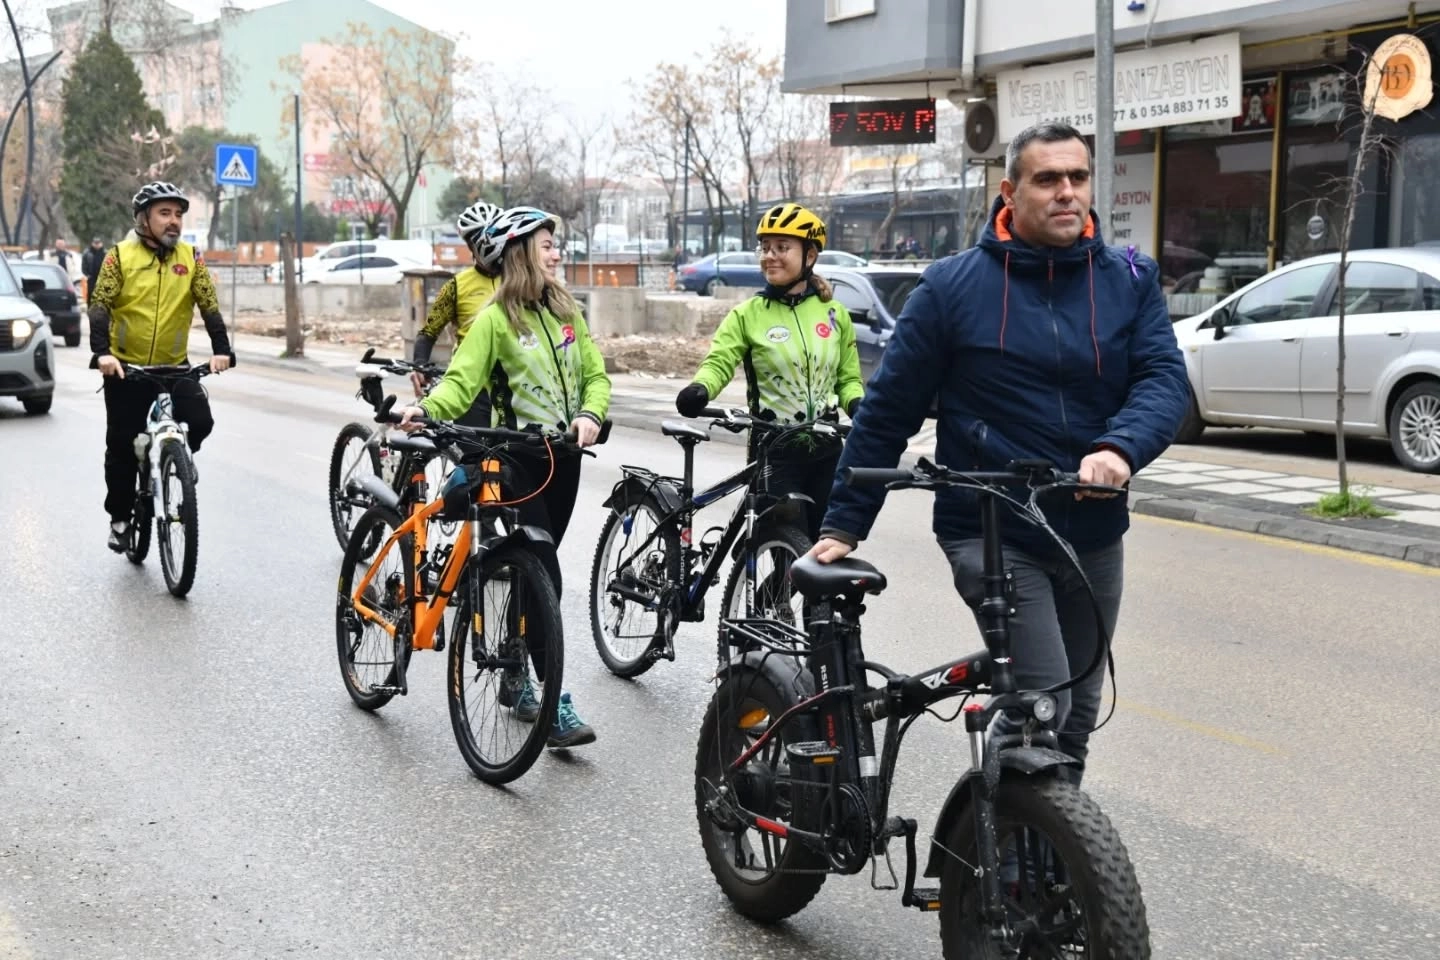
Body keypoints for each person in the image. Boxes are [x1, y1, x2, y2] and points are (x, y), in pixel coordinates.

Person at [810, 122, 1189, 784]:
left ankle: (1058, 865)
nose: (1067, 192)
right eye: (1048, 179)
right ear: (1011, 192)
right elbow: (889, 408)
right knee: (1045, 702)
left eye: (1078, 177)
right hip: (993, 528)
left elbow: (1163, 380)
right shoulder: (953, 288)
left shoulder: (1128, 278)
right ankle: (1002, 867)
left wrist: (1120, 448)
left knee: (1078, 714)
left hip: (1094, 532)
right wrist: (846, 519)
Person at [395, 205, 610, 750]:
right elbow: (462, 382)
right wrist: (428, 408)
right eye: (546, 245)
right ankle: (551, 700)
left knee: (529, 574)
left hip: (565, 460)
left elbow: (596, 374)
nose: (556, 253)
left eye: (555, 245)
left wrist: (590, 413)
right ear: (520, 254)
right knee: (544, 573)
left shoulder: (567, 312)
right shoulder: (495, 318)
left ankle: (514, 675)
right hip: (516, 460)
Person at [674, 202, 865, 540]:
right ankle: (761, 594)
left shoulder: (834, 314)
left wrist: (860, 406)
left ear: (809, 256)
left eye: (782, 247)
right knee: (775, 545)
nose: (769, 256)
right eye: (765, 247)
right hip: (774, 448)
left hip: (827, 450)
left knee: (826, 547)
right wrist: (701, 389)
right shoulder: (747, 314)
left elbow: (847, 379)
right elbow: (719, 362)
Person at [89, 181, 234, 552]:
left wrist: (222, 349)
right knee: (121, 444)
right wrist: (103, 354)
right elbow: (100, 305)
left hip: (173, 366)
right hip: (126, 367)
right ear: (143, 218)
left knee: (201, 421)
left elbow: (209, 305)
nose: (174, 222)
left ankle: (178, 462)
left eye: (178, 215)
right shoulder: (119, 256)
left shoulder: (191, 257)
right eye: (164, 213)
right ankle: (121, 519)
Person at [409, 200, 503, 425]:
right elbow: (429, 332)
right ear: (470, 246)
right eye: (478, 240)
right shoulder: (456, 286)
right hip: (472, 384)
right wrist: (419, 366)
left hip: (513, 383)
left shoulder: (519, 280)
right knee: (475, 456)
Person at [81, 236, 106, 303]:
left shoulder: (105, 253)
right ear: (92, 243)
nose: (97, 245)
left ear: (101, 243)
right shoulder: (87, 253)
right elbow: (84, 265)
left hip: (102, 278)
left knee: (102, 295)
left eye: (98, 243)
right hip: (91, 278)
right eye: (95, 243)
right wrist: (87, 275)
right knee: (90, 294)